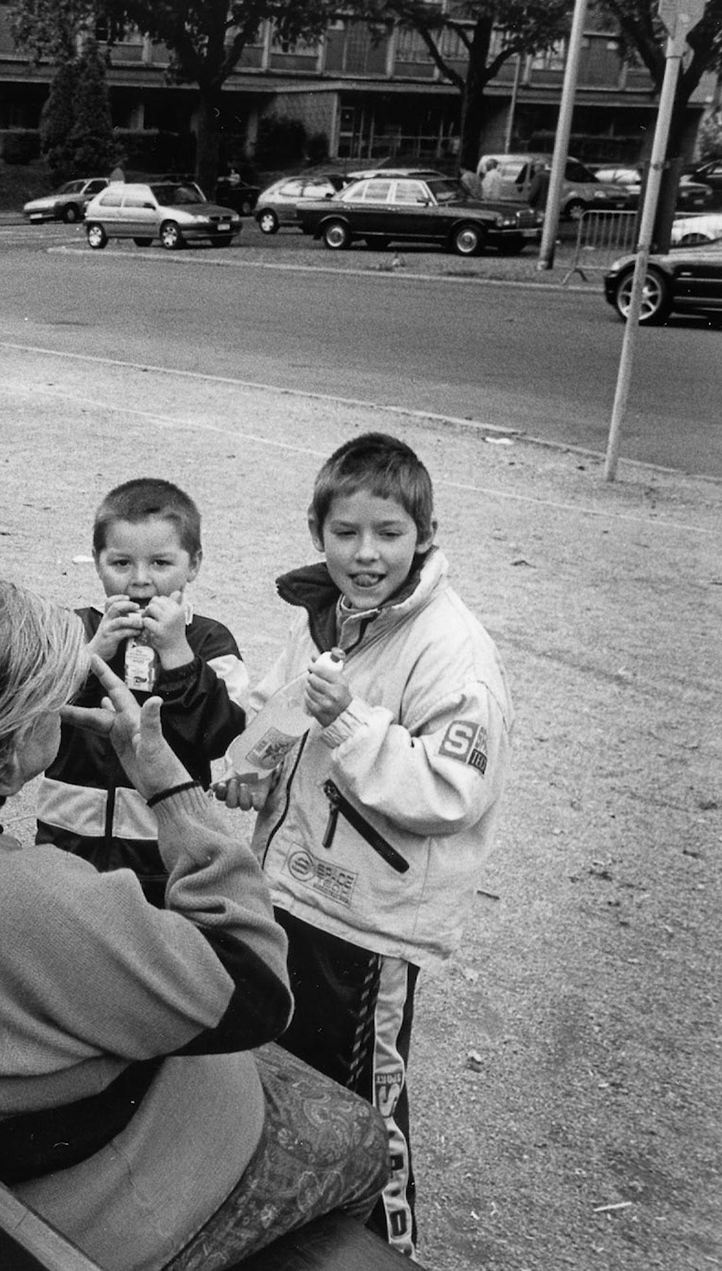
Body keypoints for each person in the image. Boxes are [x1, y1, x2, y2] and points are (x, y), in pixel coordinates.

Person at [0, 579, 390, 1271]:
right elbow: (259, 987)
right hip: (48, 1227)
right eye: (59, 702)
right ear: (23, 738)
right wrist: (167, 781)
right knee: (355, 1136)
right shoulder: (33, 901)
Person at [216, 432, 511, 1256]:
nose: (366, 552)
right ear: (319, 533)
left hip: (370, 925)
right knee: (285, 1076)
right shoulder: (325, 615)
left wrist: (347, 718)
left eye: (388, 532)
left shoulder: (453, 650)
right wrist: (252, 760)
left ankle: (387, 1248)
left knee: (363, 1107)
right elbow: (285, 711)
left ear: (425, 533)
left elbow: (449, 792)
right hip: (296, 887)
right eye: (345, 532)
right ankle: (296, 1238)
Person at [36, 478, 247, 906]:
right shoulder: (73, 629)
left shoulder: (210, 640)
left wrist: (179, 656)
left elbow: (222, 733)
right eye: (121, 564)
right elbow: (34, 715)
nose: (140, 582)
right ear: (97, 562)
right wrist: (89, 657)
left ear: (194, 564)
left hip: (165, 851)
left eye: (161, 564)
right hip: (66, 842)